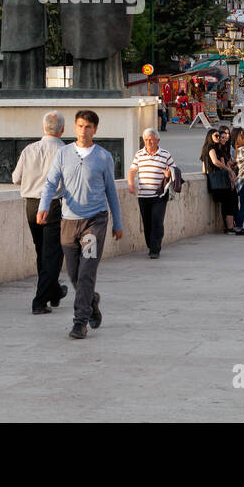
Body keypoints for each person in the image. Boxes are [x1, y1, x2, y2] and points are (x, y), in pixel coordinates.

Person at [38, 109, 123, 340]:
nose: (83, 130)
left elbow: (111, 192)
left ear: (95, 129)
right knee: (74, 274)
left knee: (86, 272)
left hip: (94, 221)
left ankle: (80, 322)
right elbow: (50, 183)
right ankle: (91, 300)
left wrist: (118, 222)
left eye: (88, 127)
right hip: (68, 221)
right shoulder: (63, 154)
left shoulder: (103, 157)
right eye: (80, 126)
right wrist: (43, 206)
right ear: (74, 128)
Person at [12, 111, 69, 314]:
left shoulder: (29, 150)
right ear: (62, 129)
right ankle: (39, 301)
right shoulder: (66, 151)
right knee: (53, 255)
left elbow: (15, 178)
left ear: (43, 128)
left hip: (31, 206)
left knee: (41, 252)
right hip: (53, 206)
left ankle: (53, 293)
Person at [129, 127, 183, 258]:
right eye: (146, 140)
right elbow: (132, 171)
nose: (148, 142)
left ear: (157, 140)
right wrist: (131, 183)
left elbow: (175, 170)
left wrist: (168, 173)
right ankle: (150, 245)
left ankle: (155, 249)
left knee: (157, 221)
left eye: (151, 140)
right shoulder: (139, 154)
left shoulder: (165, 154)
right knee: (147, 223)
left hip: (159, 195)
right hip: (143, 195)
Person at [202, 127, 239, 233]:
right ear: (210, 137)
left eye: (219, 136)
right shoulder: (210, 148)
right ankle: (230, 227)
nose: (218, 138)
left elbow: (223, 162)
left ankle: (231, 226)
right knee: (228, 201)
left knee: (230, 201)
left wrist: (231, 173)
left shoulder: (218, 148)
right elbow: (215, 162)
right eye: (216, 136)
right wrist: (228, 169)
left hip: (221, 180)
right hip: (217, 180)